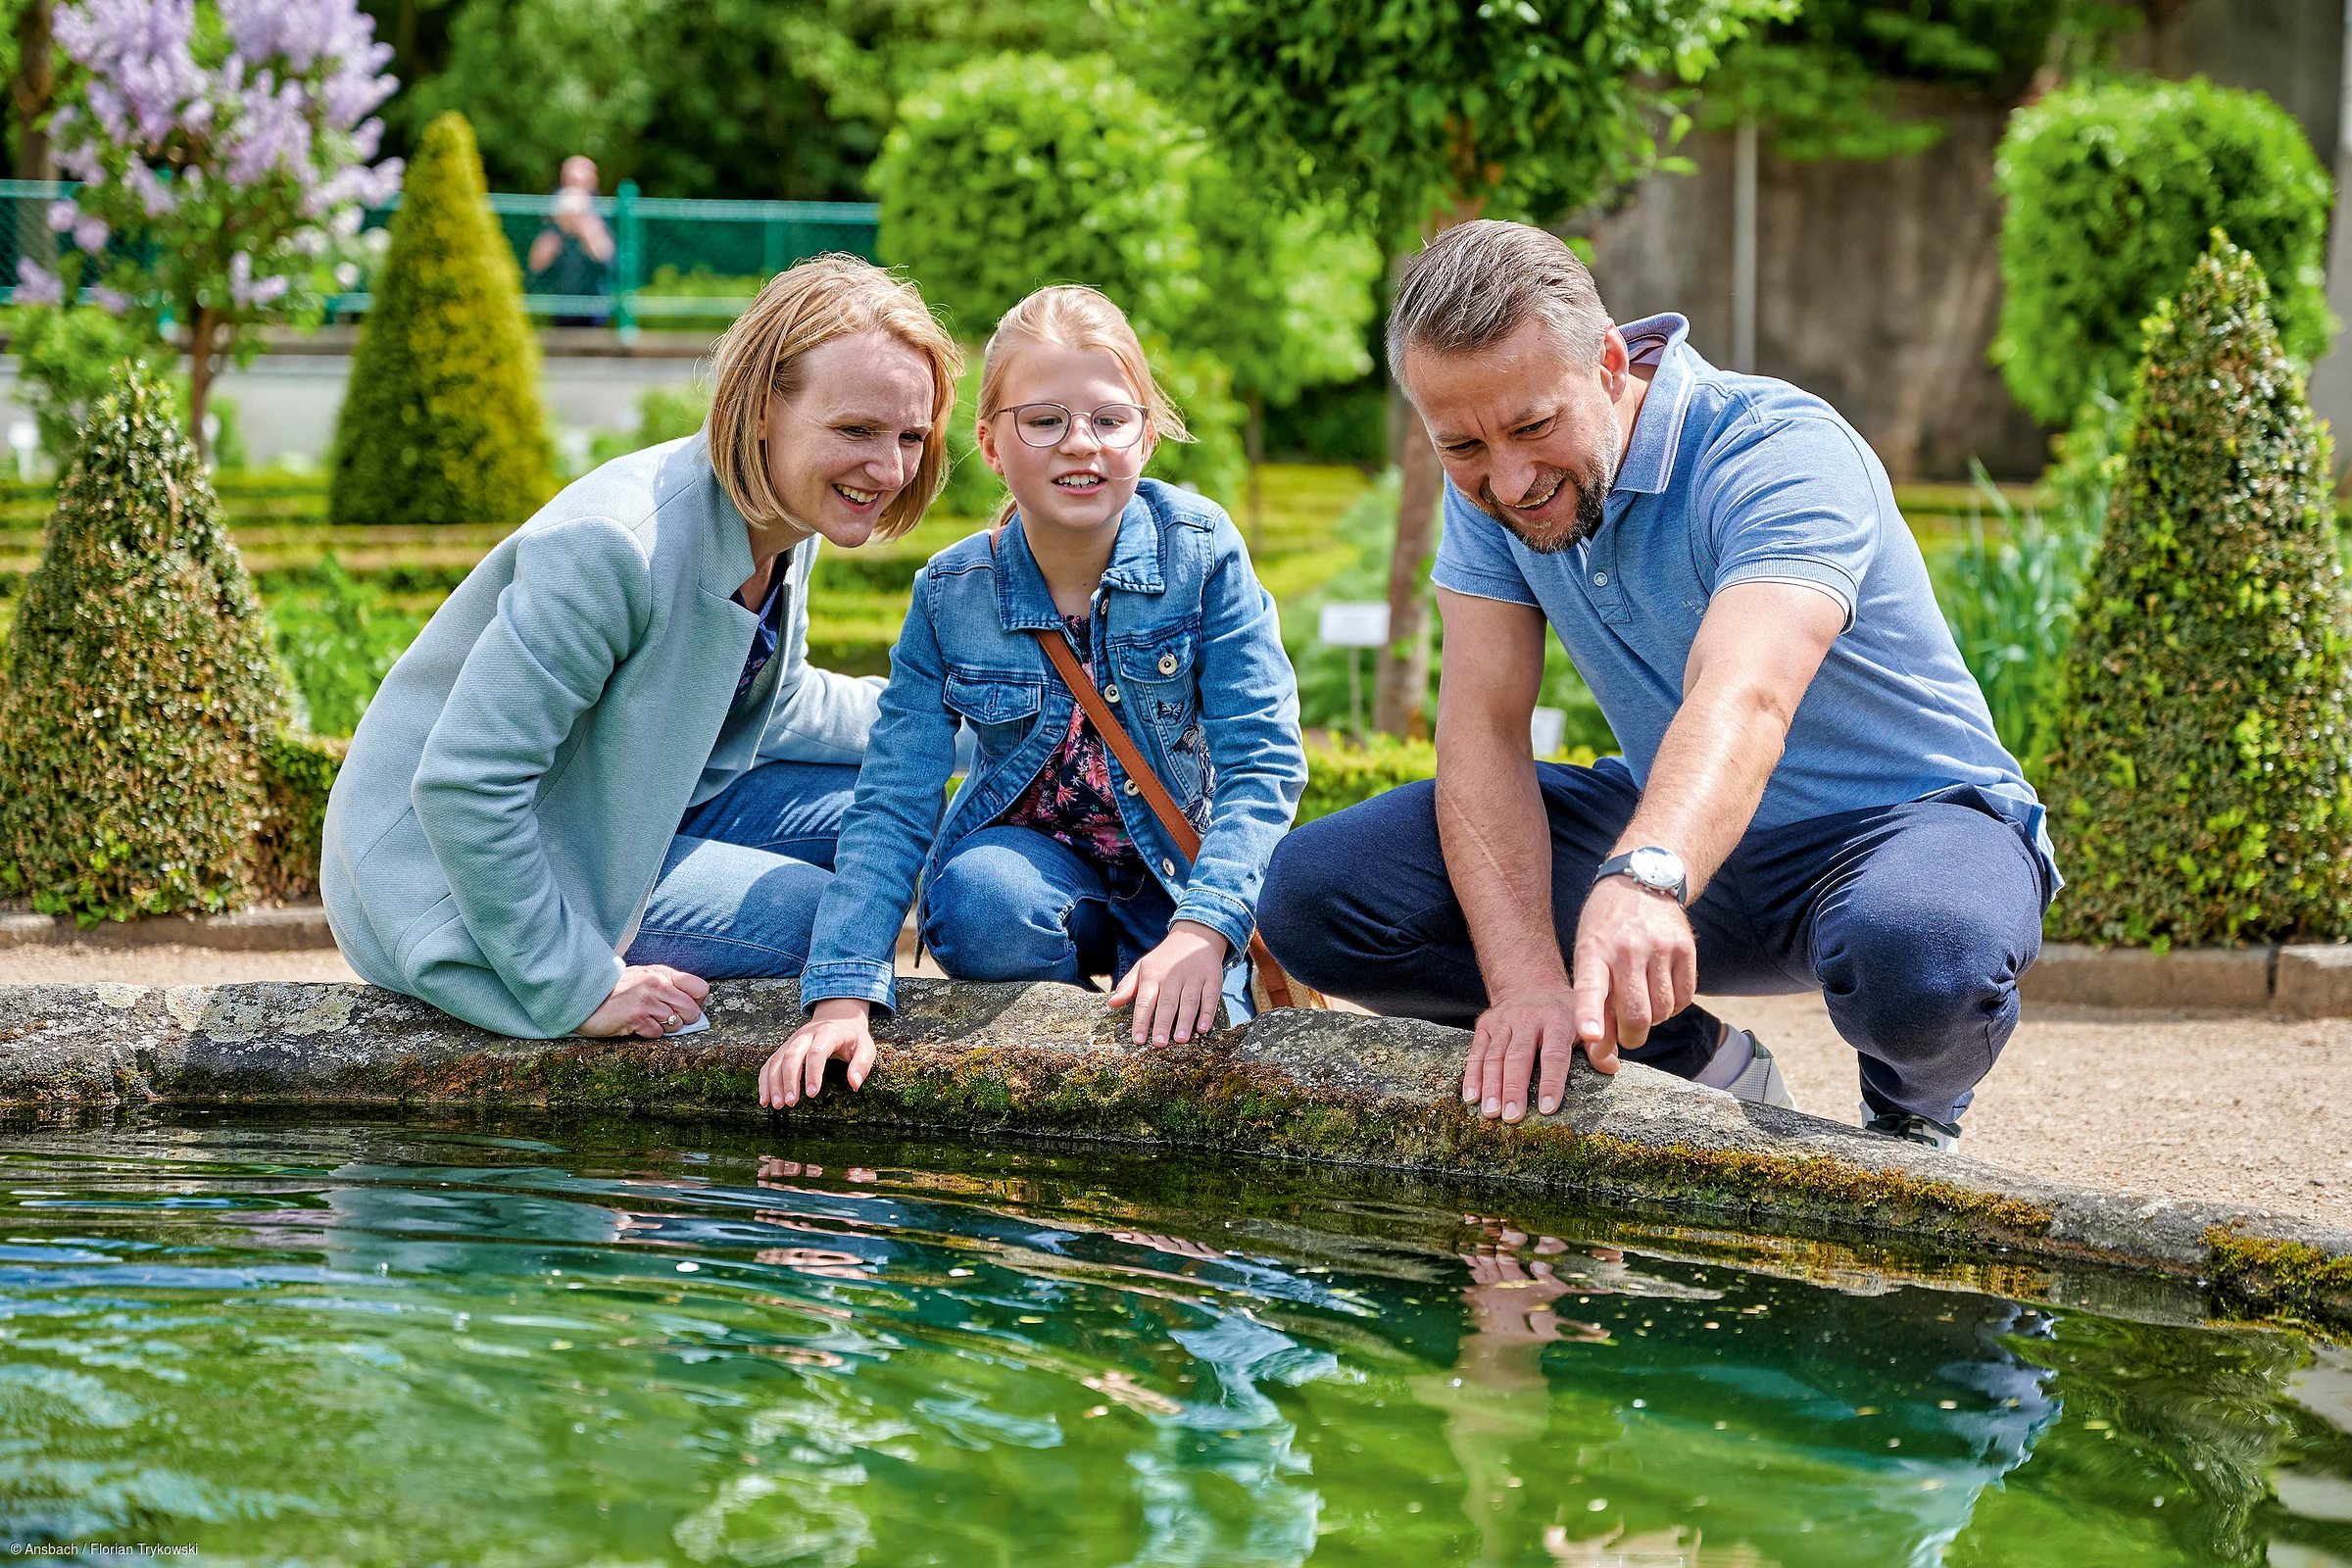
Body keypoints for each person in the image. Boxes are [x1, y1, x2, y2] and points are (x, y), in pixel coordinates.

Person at [1258, 220, 2059, 1152]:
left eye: (1533, 427)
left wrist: (1645, 874)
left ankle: (1910, 1121)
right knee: (1320, 894)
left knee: (1925, 956)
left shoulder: (1776, 451)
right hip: (1683, 835)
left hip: (1901, 831)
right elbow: (1482, 727)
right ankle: (1704, 1068)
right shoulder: (1490, 484)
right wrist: (1526, 984)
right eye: (1462, 444)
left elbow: (1745, 692)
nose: (1509, 481)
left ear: (1608, 362)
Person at [321, 256, 962, 1040]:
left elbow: (780, 703)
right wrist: (578, 984)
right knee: (819, 918)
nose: (890, 468)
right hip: (433, 882)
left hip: (615, 815)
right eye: (856, 430)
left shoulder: (785, 519)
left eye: (910, 436)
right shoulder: (617, 545)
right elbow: (464, 785)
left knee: (901, 807)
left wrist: (981, 718)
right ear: (761, 407)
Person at [755, 285, 1304, 1110]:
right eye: (1044, 420)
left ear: (1147, 437)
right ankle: (1070, 1022)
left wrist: (1204, 928)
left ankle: (1160, 968)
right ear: (990, 442)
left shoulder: (1201, 553)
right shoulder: (951, 594)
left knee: (1198, 1057)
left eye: (1110, 419)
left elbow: (1262, 763)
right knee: (978, 903)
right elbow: (894, 798)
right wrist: (841, 996)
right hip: (1037, 887)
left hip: (1180, 879)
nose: (1081, 442)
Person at [526, 155, 615, 325]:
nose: (575, 187)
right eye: (570, 181)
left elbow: (606, 257)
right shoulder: (553, 214)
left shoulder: (603, 211)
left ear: (593, 181)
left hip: (595, 306)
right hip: (561, 305)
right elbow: (536, 265)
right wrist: (559, 230)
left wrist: (585, 226)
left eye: (580, 181)